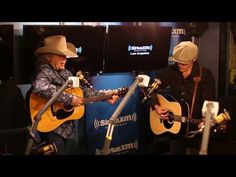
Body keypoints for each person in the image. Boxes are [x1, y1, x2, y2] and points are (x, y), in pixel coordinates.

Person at [30, 35, 119, 155]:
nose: (64, 59)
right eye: (60, 55)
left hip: (63, 127)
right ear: (48, 56)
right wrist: (70, 99)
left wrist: (105, 96)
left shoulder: (65, 73)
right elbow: (40, 87)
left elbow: (82, 91)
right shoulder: (45, 70)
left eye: (65, 56)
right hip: (52, 125)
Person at [148, 41, 216, 155]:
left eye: (183, 64)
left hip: (197, 129)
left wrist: (206, 120)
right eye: (178, 62)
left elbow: (210, 102)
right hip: (176, 128)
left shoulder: (205, 74)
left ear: (194, 59)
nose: (180, 66)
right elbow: (150, 89)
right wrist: (156, 107)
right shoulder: (172, 71)